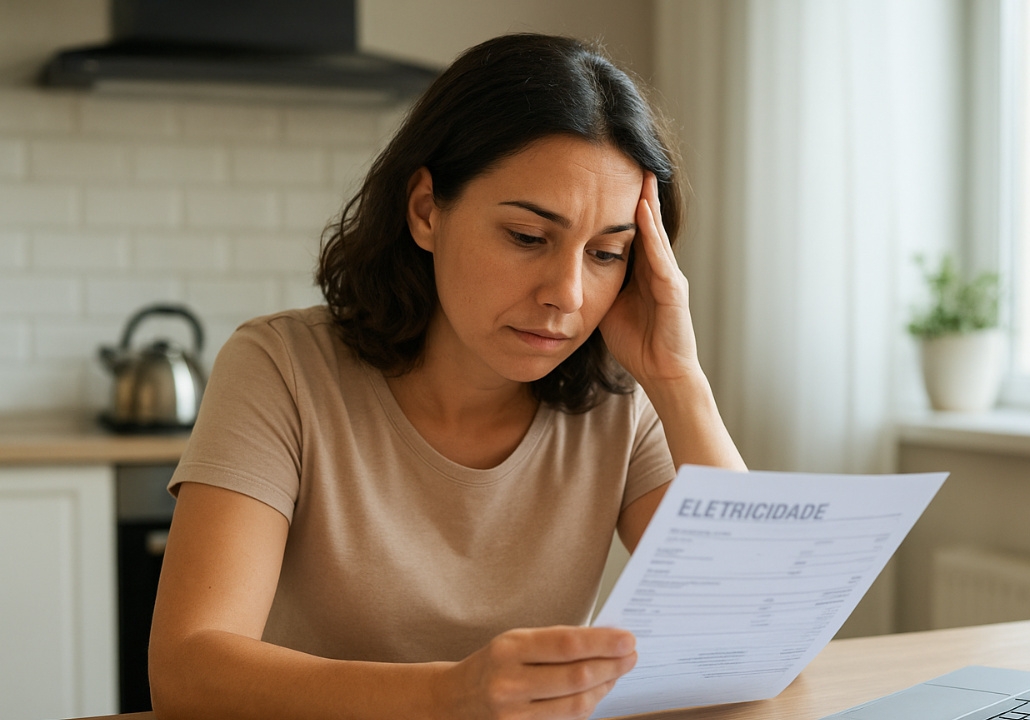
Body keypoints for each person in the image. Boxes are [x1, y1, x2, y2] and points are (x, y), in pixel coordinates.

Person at [148, 32, 746, 720]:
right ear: (427, 209)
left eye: (608, 253)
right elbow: (186, 672)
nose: (568, 295)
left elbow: (744, 636)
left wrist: (679, 379)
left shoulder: (619, 407)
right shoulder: (281, 368)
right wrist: (446, 695)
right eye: (528, 238)